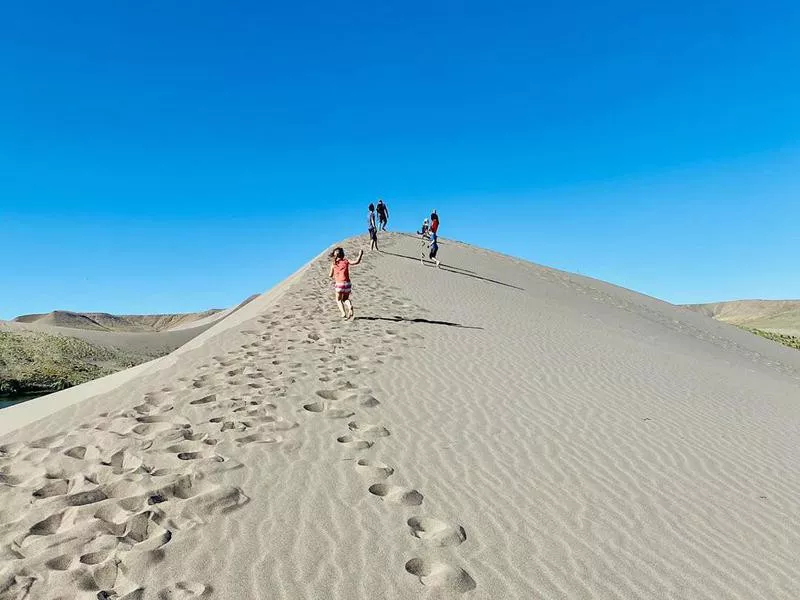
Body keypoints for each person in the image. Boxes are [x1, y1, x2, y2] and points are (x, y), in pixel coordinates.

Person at [328, 247, 364, 319]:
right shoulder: (346, 261)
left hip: (339, 284)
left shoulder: (334, 264)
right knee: (345, 299)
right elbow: (356, 262)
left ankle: (343, 313)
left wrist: (333, 273)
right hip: (347, 284)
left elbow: (330, 275)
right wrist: (360, 255)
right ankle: (349, 306)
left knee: (338, 300)